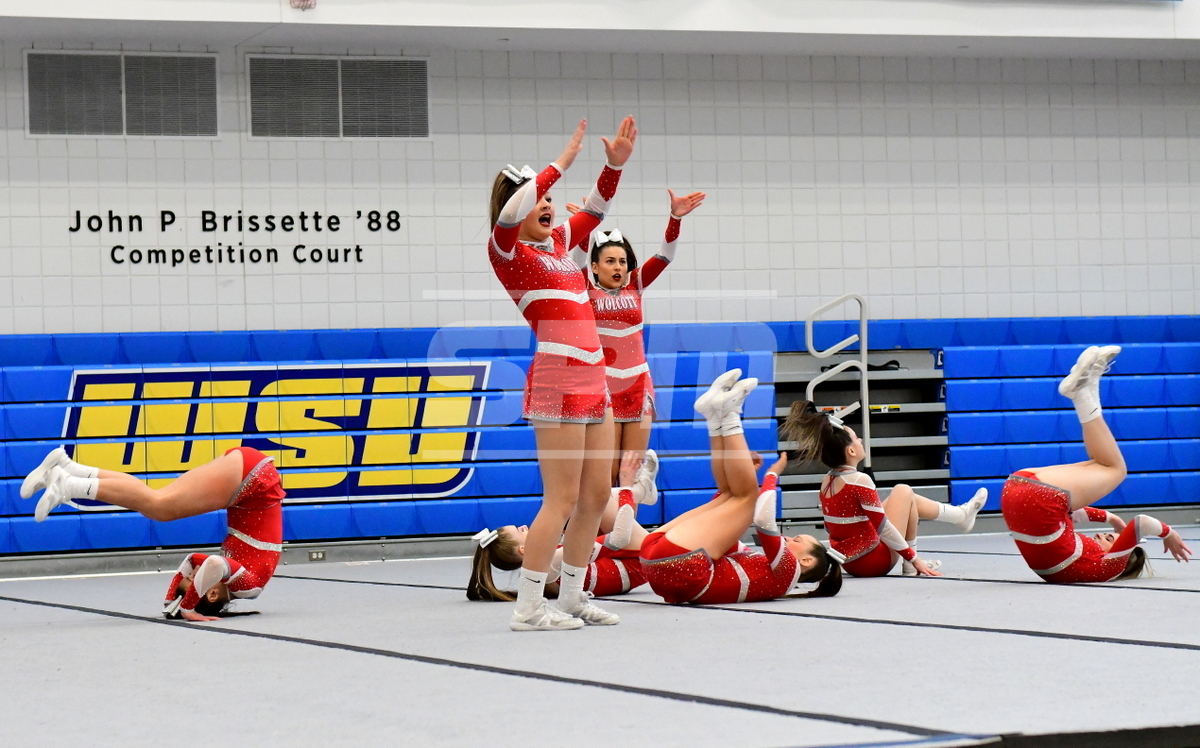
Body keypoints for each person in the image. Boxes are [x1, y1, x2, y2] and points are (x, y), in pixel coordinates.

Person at [488, 117, 638, 631]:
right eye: (539, 199)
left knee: (595, 497)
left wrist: (613, 166)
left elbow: (594, 210)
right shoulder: (507, 251)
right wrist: (560, 164)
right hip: (556, 382)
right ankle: (529, 606)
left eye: (550, 199)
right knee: (563, 498)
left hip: (595, 379)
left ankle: (572, 595)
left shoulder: (557, 246)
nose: (547, 205)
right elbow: (509, 213)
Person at [638, 370, 843, 604]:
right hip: (661, 561)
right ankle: (715, 417)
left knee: (747, 497)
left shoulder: (788, 573)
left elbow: (763, 519)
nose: (788, 539)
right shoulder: (757, 565)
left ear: (806, 561)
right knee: (730, 495)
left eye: (797, 541)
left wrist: (772, 476)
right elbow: (723, 506)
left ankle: (730, 415)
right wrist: (742, 473)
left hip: (682, 566)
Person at [21, 445, 283, 621]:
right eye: (193, 580)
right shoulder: (249, 587)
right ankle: (68, 486)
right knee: (160, 507)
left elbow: (192, 559)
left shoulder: (229, 580)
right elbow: (212, 564)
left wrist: (171, 602)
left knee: (154, 498)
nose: (193, 572)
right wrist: (188, 607)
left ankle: (69, 469)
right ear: (212, 594)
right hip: (255, 484)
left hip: (249, 483)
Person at [1001, 345, 1192, 583]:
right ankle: (1087, 388)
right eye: (1110, 536)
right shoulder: (1086, 560)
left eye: (1110, 539)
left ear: (1119, 556)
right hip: (1018, 488)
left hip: (1038, 500)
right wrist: (1111, 519)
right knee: (1100, 463)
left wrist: (1168, 533)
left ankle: (1083, 392)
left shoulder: (1108, 568)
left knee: (1116, 469)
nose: (1103, 535)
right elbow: (1074, 515)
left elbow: (1141, 523)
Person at [566, 190, 706, 488]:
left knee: (631, 472)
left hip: (638, 386)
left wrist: (675, 218)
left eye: (622, 261)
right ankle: (605, 520)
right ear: (595, 267)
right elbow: (576, 260)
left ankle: (630, 517)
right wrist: (585, 226)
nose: (618, 266)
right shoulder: (585, 290)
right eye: (610, 261)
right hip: (605, 389)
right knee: (607, 473)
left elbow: (665, 255)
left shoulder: (636, 285)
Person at [779, 402, 988, 578]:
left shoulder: (827, 480)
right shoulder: (859, 480)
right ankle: (956, 519)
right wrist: (915, 559)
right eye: (857, 438)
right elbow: (883, 527)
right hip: (873, 560)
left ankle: (959, 517)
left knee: (905, 499)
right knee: (903, 491)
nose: (861, 440)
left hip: (850, 561)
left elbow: (833, 527)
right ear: (851, 451)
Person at [468, 451, 654, 603]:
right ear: (523, 550)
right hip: (640, 561)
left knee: (587, 503)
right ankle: (637, 492)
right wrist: (626, 485)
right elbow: (620, 537)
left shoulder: (539, 566)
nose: (524, 526)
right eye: (520, 530)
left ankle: (640, 493)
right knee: (590, 498)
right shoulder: (551, 562)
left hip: (620, 560)